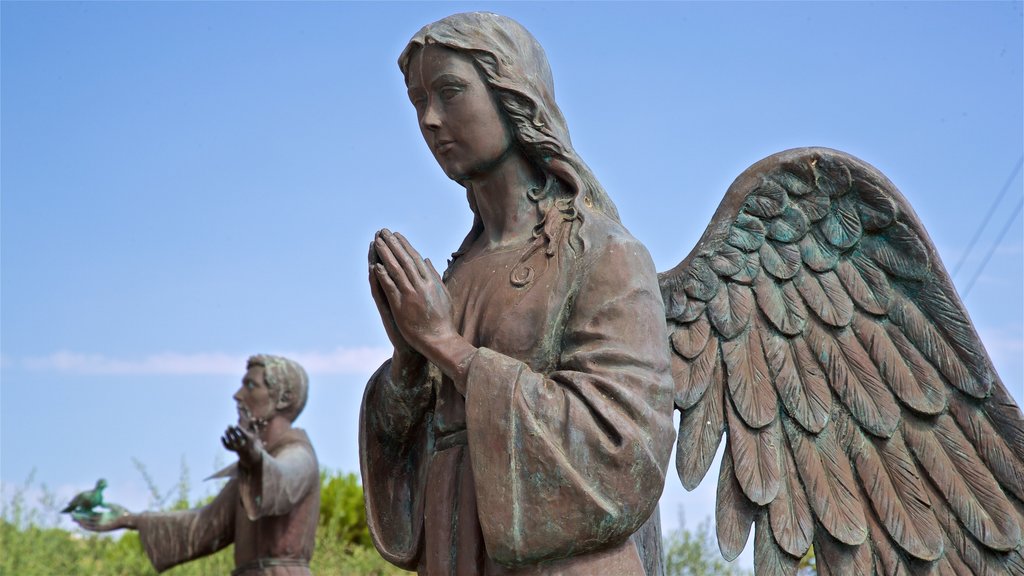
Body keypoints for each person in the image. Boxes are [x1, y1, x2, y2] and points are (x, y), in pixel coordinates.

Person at [361, 12, 675, 575]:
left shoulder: (603, 254)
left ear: (512, 93)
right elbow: (410, 454)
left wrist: (445, 345)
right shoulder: (457, 273)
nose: (430, 120)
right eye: (416, 101)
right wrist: (409, 359)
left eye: (450, 92)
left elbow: (623, 449)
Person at [76, 355, 319, 576]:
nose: (238, 395)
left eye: (251, 385)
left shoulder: (298, 453)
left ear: (284, 398)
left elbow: (284, 480)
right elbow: (205, 527)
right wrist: (130, 519)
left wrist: (255, 458)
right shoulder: (251, 469)